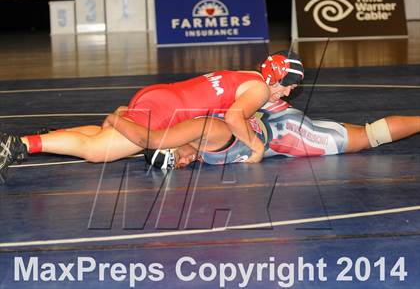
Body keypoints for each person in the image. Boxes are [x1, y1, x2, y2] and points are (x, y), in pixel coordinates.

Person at [0, 51, 304, 183]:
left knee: (105, 137)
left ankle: (53, 135)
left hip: (162, 95)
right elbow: (235, 117)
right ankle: (19, 145)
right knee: (96, 152)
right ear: (277, 79)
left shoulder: (248, 75)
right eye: (289, 87)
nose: (288, 94)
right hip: (166, 110)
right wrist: (256, 146)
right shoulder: (261, 90)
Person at [129, 100, 420, 169]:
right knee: (359, 132)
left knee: (369, 138)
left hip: (287, 134)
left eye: (176, 158)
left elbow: (149, 140)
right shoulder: (193, 140)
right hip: (274, 122)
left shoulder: (208, 133)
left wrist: (256, 150)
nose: (183, 163)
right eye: (175, 168)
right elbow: (142, 142)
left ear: (174, 143)